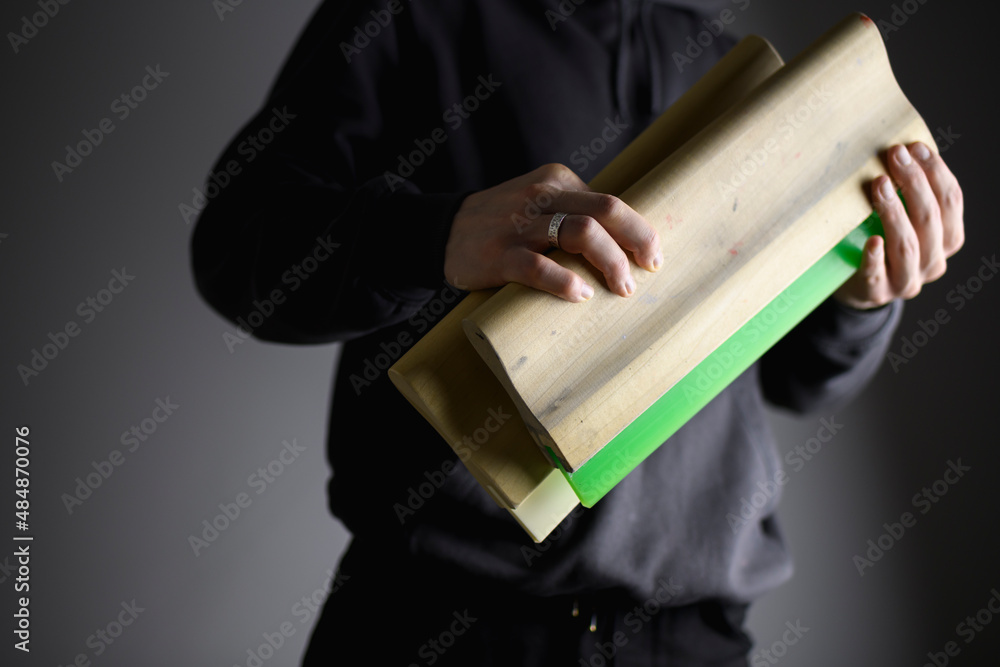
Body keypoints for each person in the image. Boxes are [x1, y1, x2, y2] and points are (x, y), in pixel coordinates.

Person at [190, 1, 964, 664]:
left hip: (695, 637)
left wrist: (862, 295)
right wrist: (440, 234)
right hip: (444, 626)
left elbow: (800, 380)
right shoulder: (410, 14)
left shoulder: (729, 58)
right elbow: (236, 247)